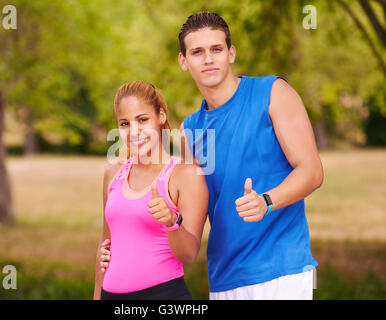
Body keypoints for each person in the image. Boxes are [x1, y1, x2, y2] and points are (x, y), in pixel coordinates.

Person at [176, 12, 324, 300]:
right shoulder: (188, 132)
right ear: (184, 61)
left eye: (216, 49)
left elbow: (312, 171)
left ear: (231, 53)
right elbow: (188, 222)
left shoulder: (272, 92)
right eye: (197, 52)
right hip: (224, 277)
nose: (208, 59)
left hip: (282, 270)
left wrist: (267, 202)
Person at [93, 81, 208, 300]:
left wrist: (171, 221)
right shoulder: (113, 174)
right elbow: (105, 247)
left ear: (161, 117)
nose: (134, 131)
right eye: (125, 123)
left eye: (142, 120)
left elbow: (189, 254)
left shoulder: (185, 175)